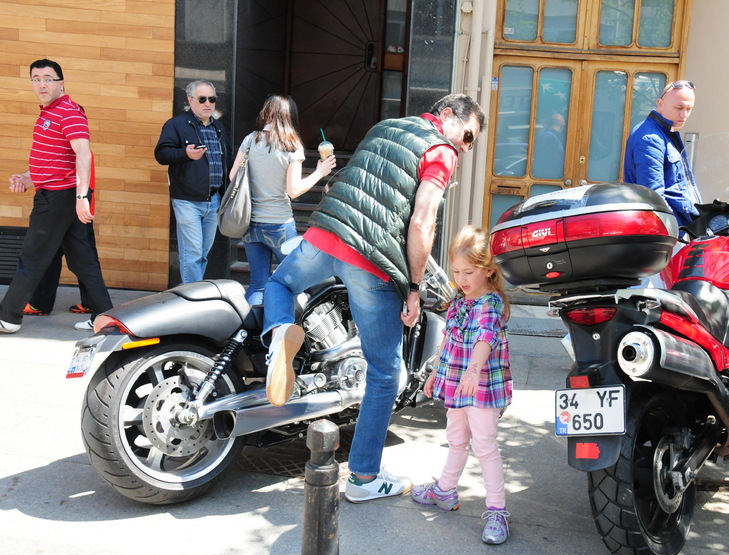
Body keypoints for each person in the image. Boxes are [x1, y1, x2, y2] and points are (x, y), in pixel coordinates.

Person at [261, 93, 486, 502]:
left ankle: (279, 337)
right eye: (467, 136)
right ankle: (364, 477)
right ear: (447, 115)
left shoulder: (385, 126)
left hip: (326, 232)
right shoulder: (441, 151)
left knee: (279, 284)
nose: (465, 147)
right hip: (371, 260)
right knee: (385, 373)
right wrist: (414, 288)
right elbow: (422, 221)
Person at [410, 225, 513, 545]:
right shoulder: (459, 299)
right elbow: (449, 339)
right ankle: (445, 490)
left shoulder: (491, 303)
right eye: (456, 271)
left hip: (481, 386)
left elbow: (486, 337)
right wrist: (435, 372)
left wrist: (474, 370)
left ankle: (497, 511)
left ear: (488, 270)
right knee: (456, 439)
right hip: (457, 382)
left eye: (468, 272)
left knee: (485, 447)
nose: (461, 279)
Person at [0, 59, 112, 334]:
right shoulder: (49, 112)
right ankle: (105, 316)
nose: (42, 84)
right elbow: (54, 159)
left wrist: (82, 197)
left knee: (32, 257)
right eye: (36, 79)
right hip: (59, 195)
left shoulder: (68, 112)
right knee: (82, 259)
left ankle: (8, 317)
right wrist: (27, 178)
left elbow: (83, 155)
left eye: (48, 79)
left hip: (59, 198)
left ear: (61, 83)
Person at [229, 95, 336, 305]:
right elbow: (293, 191)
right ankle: (288, 324)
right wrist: (320, 172)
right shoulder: (291, 145)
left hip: (250, 224)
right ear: (291, 116)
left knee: (257, 284)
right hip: (279, 224)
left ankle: (250, 325)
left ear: (266, 113)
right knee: (293, 282)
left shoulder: (251, 139)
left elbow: (233, 176)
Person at [154, 80, 233, 284]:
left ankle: (190, 290)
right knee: (193, 253)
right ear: (190, 100)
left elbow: (227, 160)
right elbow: (161, 154)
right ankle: (194, 295)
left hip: (214, 200)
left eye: (212, 99)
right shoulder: (176, 125)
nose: (208, 104)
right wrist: (185, 153)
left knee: (202, 253)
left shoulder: (218, 127)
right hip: (187, 200)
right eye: (202, 99)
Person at [623, 80, 700, 227]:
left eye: (689, 109)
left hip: (679, 224)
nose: (684, 114)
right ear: (660, 104)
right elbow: (654, 197)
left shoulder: (664, 132)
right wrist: (676, 230)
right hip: (671, 227)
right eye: (679, 108)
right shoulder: (651, 138)